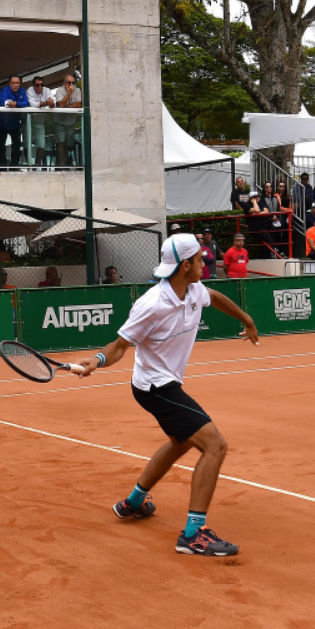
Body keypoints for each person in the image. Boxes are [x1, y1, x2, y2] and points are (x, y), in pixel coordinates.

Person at [74, 234, 256, 556]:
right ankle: (193, 534)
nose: (204, 263)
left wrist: (246, 319)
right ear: (185, 265)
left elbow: (213, 296)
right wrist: (97, 360)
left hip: (167, 382)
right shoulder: (152, 304)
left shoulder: (193, 289)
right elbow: (120, 346)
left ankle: (133, 502)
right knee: (215, 445)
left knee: (182, 441)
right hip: (154, 387)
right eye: (199, 260)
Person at [0, 75, 27, 166]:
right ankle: (2, 166)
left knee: (17, 145)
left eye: (17, 83)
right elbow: (4, 103)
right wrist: (15, 104)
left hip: (15, 123)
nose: (16, 85)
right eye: (13, 83)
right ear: (10, 84)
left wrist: (16, 104)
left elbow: (26, 103)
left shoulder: (22, 91)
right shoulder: (4, 90)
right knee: (1, 145)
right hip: (2, 122)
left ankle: (14, 166)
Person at [53, 75, 81, 167]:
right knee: (60, 142)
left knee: (68, 144)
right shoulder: (59, 91)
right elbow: (61, 105)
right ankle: (62, 165)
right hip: (59, 121)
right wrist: (69, 93)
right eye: (69, 82)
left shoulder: (77, 90)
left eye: (73, 82)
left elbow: (78, 104)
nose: (71, 84)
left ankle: (65, 163)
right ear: (64, 83)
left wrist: (68, 107)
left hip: (71, 122)